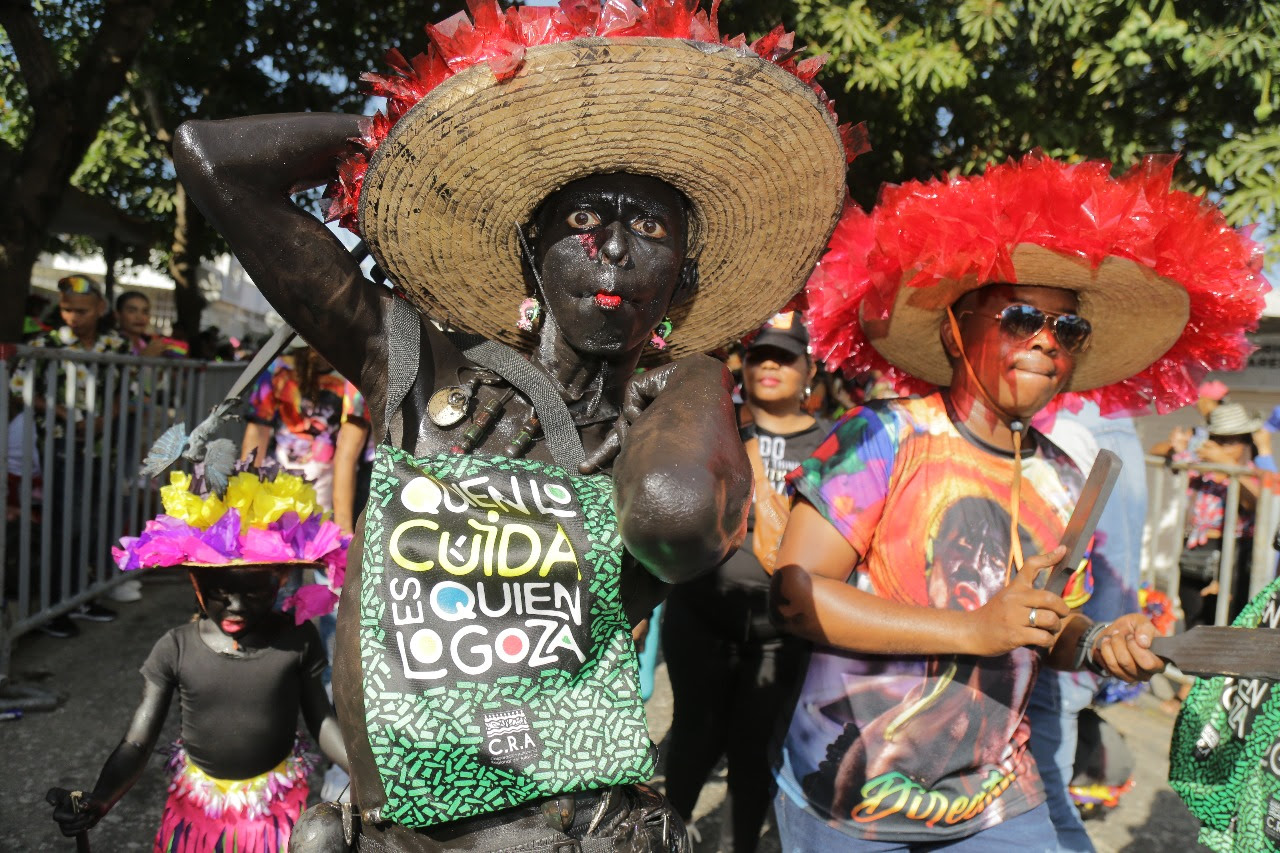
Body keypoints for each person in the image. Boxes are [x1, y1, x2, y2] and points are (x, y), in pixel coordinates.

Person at [172, 1, 855, 848]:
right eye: (582, 222)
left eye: (649, 230)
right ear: (533, 251)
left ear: (682, 282)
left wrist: (702, 369)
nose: (612, 251)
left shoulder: (659, 432)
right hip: (397, 827)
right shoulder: (417, 367)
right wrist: (406, 134)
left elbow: (677, 516)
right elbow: (214, 161)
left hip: (566, 825)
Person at [769, 153, 1267, 850]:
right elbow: (794, 597)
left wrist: (1098, 642)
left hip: (998, 794)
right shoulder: (882, 436)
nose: (1045, 339)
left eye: (1068, 328)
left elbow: (1046, 627)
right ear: (954, 328)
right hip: (850, 789)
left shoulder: (1067, 478)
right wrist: (973, 630)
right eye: (1023, 316)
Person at [48, 469, 349, 852]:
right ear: (195, 583)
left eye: (254, 594)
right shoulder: (175, 648)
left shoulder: (297, 639)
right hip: (198, 812)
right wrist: (99, 800)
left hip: (273, 806)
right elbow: (137, 744)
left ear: (281, 581)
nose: (235, 607)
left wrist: (367, 774)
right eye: (220, 593)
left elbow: (321, 719)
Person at [660, 312, 829, 852]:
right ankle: (659, 840)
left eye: (785, 356)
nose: (771, 365)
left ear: (809, 372)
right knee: (693, 740)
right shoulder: (714, 425)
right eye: (760, 355)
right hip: (702, 619)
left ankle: (736, 846)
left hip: (785, 632)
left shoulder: (835, 443)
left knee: (756, 751)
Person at [1026, 401, 1149, 851]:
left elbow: (1108, 550)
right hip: (1049, 659)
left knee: (1043, 808)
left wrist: (1093, 648)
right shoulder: (1101, 426)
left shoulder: (1074, 433)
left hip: (1050, 661)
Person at [9, 274, 128, 636]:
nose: (73, 317)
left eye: (82, 310)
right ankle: (53, 605)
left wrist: (104, 420)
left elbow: (131, 390)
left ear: (101, 309)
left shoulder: (115, 345)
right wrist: (62, 414)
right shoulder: (46, 343)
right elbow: (19, 387)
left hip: (103, 448)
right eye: (66, 309)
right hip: (60, 446)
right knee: (66, 525)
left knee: (94, 523)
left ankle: (81, 596)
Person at [1174, 402, 1276, 629]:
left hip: (1234, 556)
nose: (1223, 447)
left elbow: (1262, 501)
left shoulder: (1253, 472)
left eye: (1231, 440)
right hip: (1196, 553)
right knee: (1194, 620)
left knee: (1225, 626)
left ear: (1246, 441)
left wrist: (1228, 465)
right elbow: (1166, 455)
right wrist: (1181, 446)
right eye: (1218, 439)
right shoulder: (1201, 466)